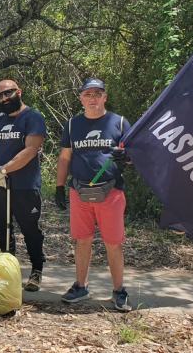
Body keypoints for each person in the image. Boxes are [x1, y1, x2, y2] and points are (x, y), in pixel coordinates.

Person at [56, 77, 132, 311]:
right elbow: (65, 157)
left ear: (105, 97)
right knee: (82, 240)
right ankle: (81, 285)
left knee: (113, 243)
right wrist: (59, 186)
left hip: (111, 191)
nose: (93, 98)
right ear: (81, 98)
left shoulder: (119, 123)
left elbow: (133, 156)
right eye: (88, 94)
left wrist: (125, 157)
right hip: (80, 191)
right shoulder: (72, 125)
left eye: (97, 94)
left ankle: (119, 291)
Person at [0, 79, 47, 291]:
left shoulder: (33, 117)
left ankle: (36, 270)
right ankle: (10, 271)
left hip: (25, 185)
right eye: (0, 95)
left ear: (19, 92)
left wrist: (4, 169)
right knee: (3, 229)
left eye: (8, 93)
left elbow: (31, 149)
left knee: (30, 229)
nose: (4, 98)